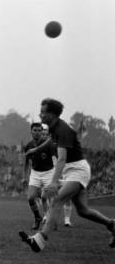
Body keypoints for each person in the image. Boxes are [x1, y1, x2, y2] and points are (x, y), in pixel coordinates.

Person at [19, 98, 115, 252]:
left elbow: (62, 159)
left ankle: (40, 240)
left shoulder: (62, 130)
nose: (40, 114)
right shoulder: (53, 128)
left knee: (56, 201)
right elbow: (50, 141)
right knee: (83, 211)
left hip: (77, 171)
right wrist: (35, 150)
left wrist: (54, 182)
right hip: (73, 171)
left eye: (43, 112)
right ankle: (112, 225)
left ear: (51, 114)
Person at [22, 123, 55, 230]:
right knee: (30, 198)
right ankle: (37, 218)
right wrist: (24, 176)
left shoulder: (48, 144)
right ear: (31, 132)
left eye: (39, 130)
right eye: (34, 130)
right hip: (35, 173)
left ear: (42, 132)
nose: (37, 132)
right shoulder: (28, 145)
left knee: (48, 198)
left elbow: (56, 158)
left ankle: (51, 220)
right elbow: (26, 162)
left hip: (49, 173)